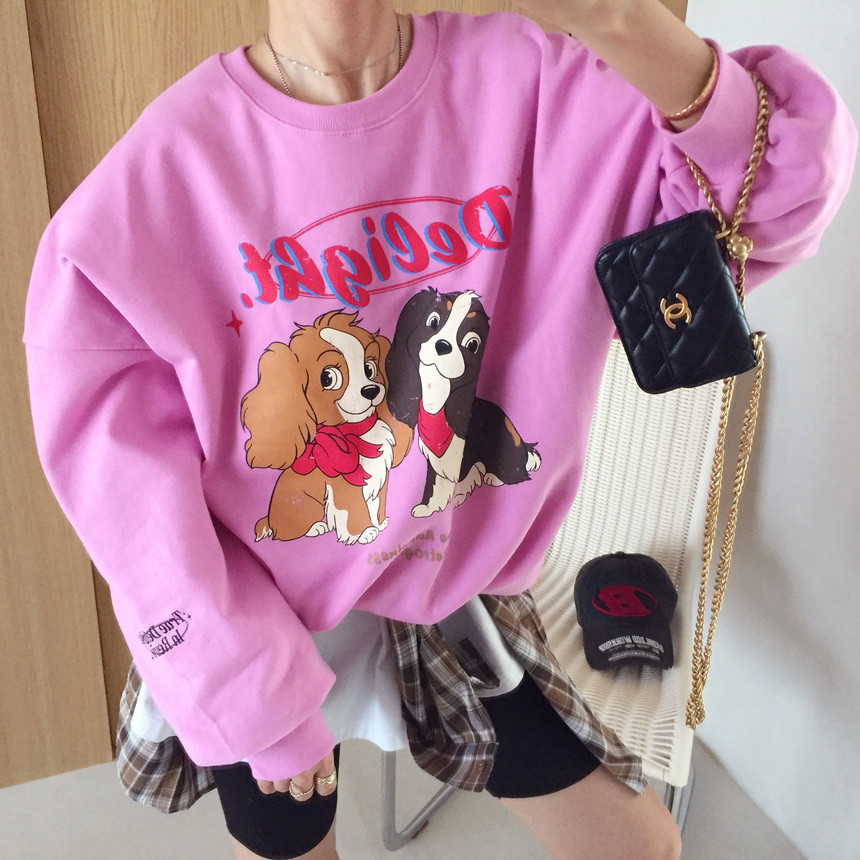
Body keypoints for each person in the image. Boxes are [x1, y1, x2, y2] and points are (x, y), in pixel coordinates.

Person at [23, 0, 855, 858]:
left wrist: (614, 18)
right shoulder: (159, 183)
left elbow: (774, 191)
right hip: (260, 611)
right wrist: (250, 700)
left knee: (637, 847)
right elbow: (127, 494)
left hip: (456, 599)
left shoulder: (538, 88)